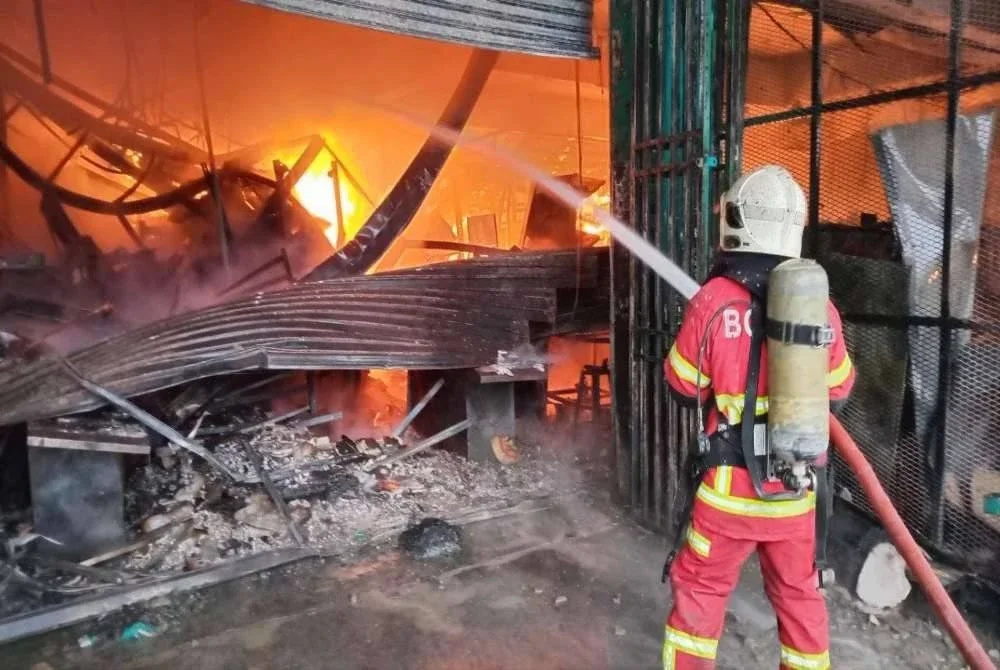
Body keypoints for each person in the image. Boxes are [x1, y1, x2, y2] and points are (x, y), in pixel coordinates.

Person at [661, 165, 856, 670]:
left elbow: (682, 382)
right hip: (793, 499)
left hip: (727, 493)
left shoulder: (714, 300)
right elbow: (840, 387)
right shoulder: (820, 308)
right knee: (800, 603)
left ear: (736, 220)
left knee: (699, 598)